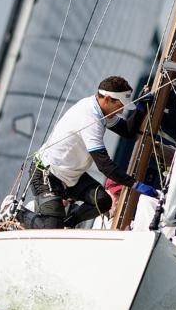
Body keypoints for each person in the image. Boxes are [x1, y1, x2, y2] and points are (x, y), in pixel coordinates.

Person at [31, 75, 159, 229]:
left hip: (71, 176)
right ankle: (13, 211)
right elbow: (104, 165)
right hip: (47, 174)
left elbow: (127, 131)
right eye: (120, 105)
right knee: (51, 228)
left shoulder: (102, 111)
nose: (122, 110)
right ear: (107, 99)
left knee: (103, 201)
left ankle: (67, 224)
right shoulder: (90, 117)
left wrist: (140, 108)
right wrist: (136, 184)